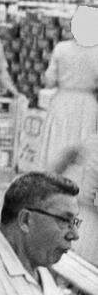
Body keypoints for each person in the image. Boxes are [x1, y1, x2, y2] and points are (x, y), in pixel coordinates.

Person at [41, 32, 98, 182]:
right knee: (83, 145)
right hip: (87, 104)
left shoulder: (61, 48)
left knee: (57, 143)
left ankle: (52, 182)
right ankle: (78, 185)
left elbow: (50, 80)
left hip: (62, 101)